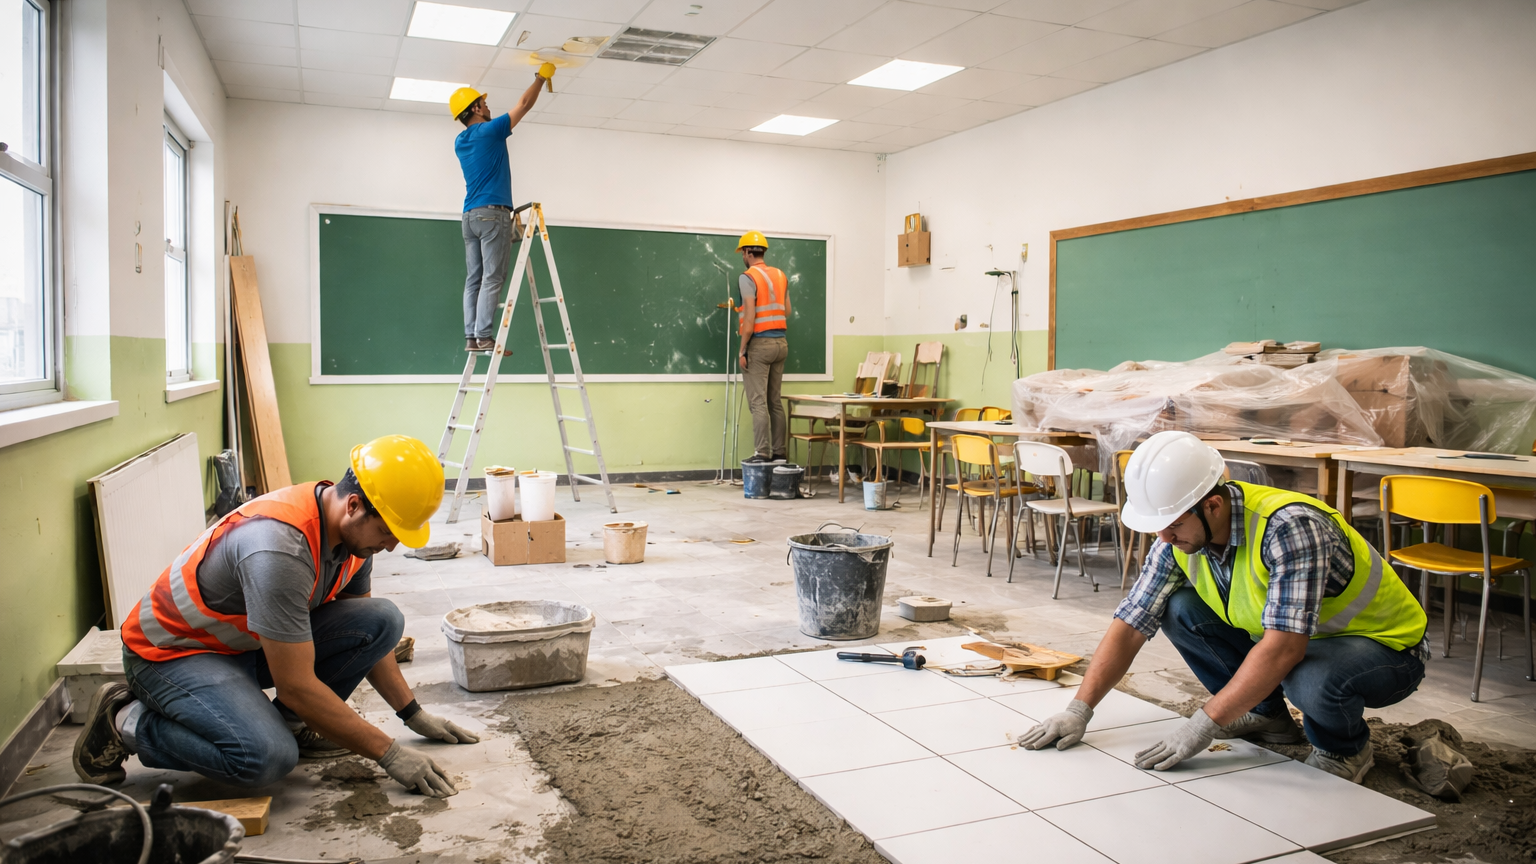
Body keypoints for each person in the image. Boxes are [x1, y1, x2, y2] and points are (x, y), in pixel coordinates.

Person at [74, 435, 477, 798]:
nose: (390, 547)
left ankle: (293, 725)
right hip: (172, 654)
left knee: (382, 619)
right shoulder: (278, 550)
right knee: (265, 758)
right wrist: (389, 755)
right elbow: (297, 685)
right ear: (354, 505)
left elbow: (373, 640)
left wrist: (412, 714)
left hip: (240, 645)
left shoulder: (352, 540)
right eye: (389, 531)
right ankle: (124, 721)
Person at [1018, 431, 1428, 783]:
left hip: (1385, 650)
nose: (1163, 536)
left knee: (1308, 677)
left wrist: (1203, 724)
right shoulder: (1178, 539)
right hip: (1306, 643)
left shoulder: (1289, 528)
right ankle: (1267, 715)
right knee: (1178, 607)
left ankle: (1347, 749)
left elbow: (1285, 649)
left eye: (1174, 523)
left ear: (1212, 505)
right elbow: (1131, 622)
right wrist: (1079, 710)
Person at [450, 64, 554, 353]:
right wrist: (541, 78)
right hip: (492, 215)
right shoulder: (489, 131)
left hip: (469, 217)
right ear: (475, 109)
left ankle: (471, 337)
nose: (487, 106)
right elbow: (524, 104)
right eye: (483, 103)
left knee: (474, 279)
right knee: (493, 277)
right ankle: (484, 336)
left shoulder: (461, 141)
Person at [735, 231, 791, 464]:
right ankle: (779, 454)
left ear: (747, 252)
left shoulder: (747, 277)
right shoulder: (780, 275)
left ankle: (762, 454)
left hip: (759, 344)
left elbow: (749, 317)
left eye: (743, 253)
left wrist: (742, 349)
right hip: (781, 344)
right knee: (774, 402)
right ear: (763, 251)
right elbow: (786, 311)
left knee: (757, 403)